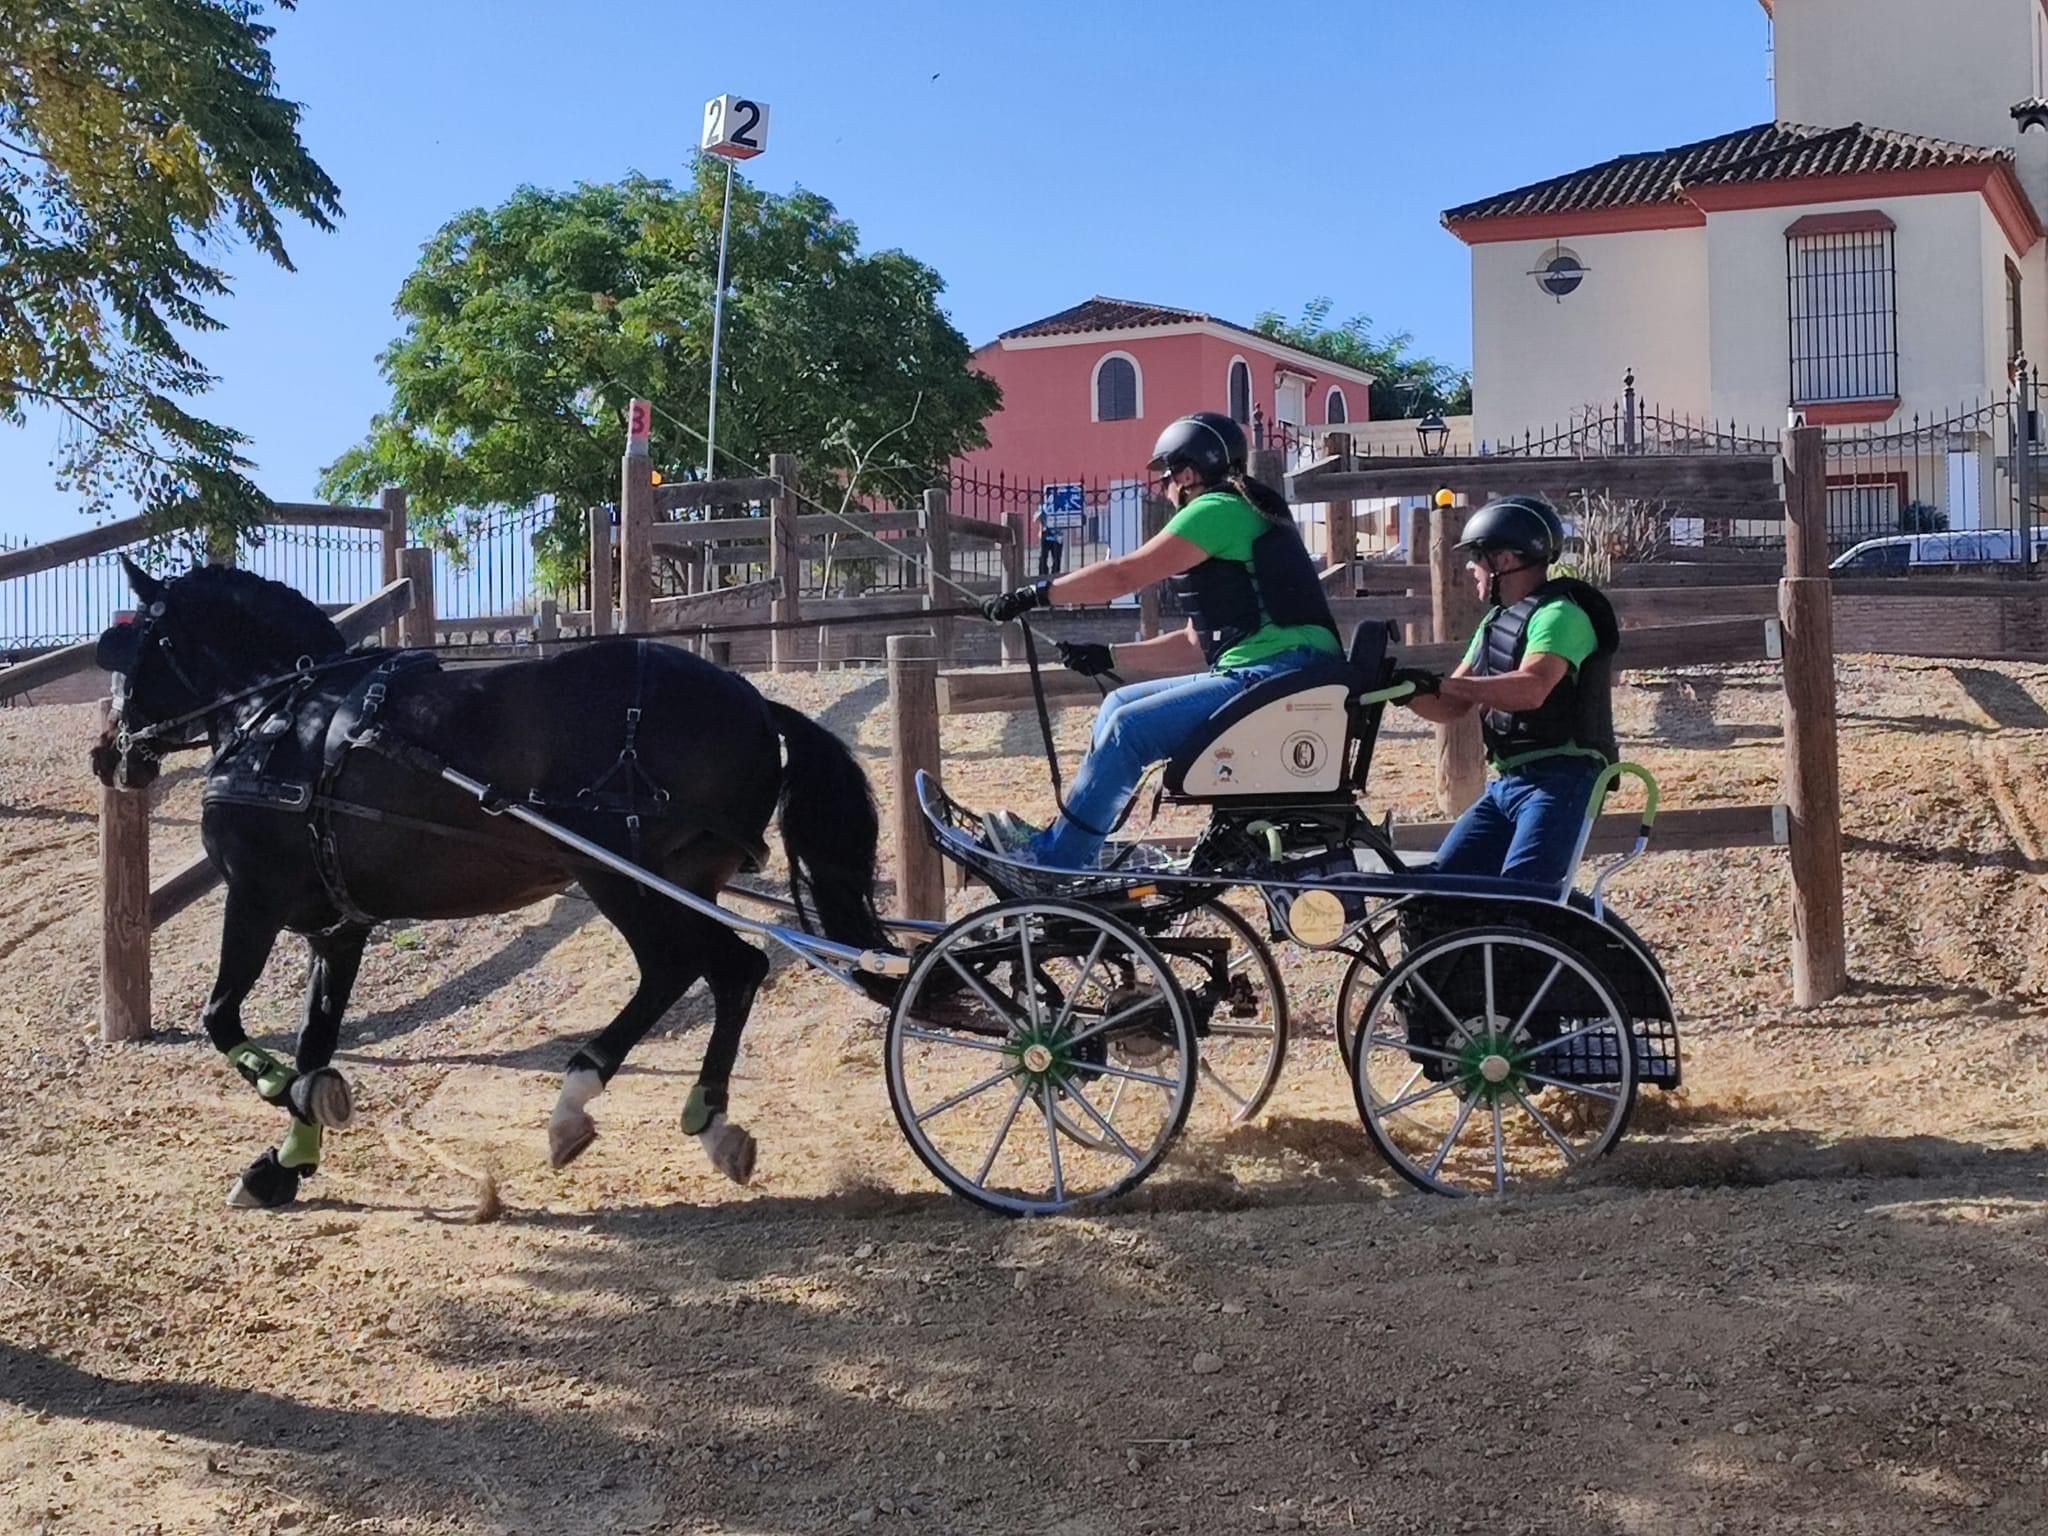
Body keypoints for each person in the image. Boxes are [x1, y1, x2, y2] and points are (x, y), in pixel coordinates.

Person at [977, 411, 1341, 869]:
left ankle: (1059, 862)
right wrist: (1107, 655)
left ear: (1186, 473)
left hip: (1282, 674)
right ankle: (1072, 845)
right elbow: (1196, 646)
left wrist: (1036, 593)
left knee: (1130, 729)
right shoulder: (1238, 513)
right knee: (1116, 707)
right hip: (1278, 672)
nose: (1165, 488)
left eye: (1165, 476)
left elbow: (1123, 573)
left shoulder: (1216, 509)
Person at [1397, 495, 1619, 887]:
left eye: (1477, 557)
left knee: (1524, 897)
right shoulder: (1495, 623)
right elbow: (1451, 705)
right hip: (1509, 782)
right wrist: (1399, 690)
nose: (1470, 568)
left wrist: (1442, 682)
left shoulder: (1560, 615)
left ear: (1504, 561)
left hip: (1561, 779)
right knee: (1439, 890)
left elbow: (1532, 689)